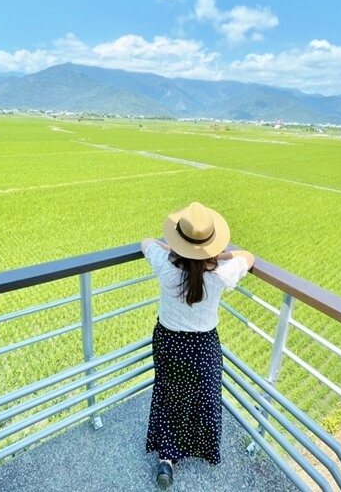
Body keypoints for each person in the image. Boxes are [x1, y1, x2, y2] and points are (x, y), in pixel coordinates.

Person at [140, 202, 255, 488]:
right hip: (203, 344)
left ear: (180, 243)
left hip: (168, 340)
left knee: (170, 393)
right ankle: (201, 447)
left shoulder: (164, 266)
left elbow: (147, 242)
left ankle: (167, 458)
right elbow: (247, 256)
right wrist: (218, 255)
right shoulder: (220, 274)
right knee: (204, 395)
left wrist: (173, 249)